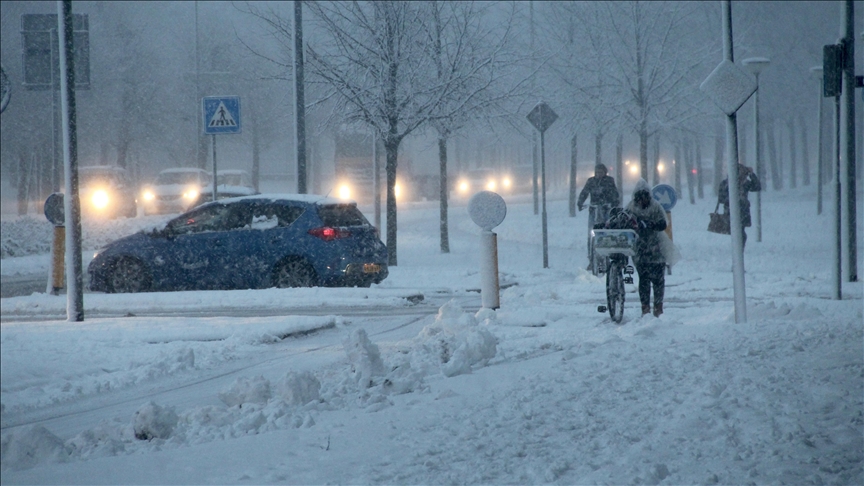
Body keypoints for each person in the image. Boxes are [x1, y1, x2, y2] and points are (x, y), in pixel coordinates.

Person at [626, 179, 668, 317]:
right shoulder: (630, 208)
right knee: (643, 280)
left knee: (658, 280)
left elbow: (663, 224)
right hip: (640, 249)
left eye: (644, 198)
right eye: (639, 198)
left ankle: (658, 307)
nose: (642, 201)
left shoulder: (656, 207)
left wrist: (650, 225)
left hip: (656, 248)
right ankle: (645, 308)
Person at [578, 164, 621, 271]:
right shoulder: (591, 181)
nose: (598, 174)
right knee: (591, 233)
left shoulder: (609, 181)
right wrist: (580, 202)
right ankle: (591, 260)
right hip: (594, 210)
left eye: (600, 172)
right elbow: (585, 192)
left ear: (605, 172)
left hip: (606, 209)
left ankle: (609, 255)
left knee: (608, 231)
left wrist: (614, 202)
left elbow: (615, 193)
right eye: (597, 172)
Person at [717, 163, 761, 249]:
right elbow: (757, 186)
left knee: (738, 231)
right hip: (739, 211)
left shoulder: (726, 183)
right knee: (740, 231)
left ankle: (737, 248)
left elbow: (757, 187)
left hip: (737, 211)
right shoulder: (743, 184)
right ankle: (738, 249)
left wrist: (751, 174)